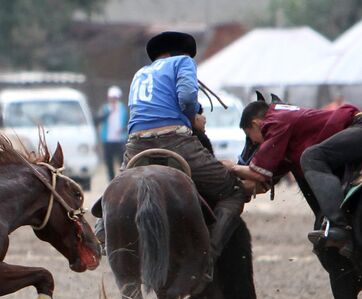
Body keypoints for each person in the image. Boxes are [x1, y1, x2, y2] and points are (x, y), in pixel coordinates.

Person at [96, 31, 246, 281]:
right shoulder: (183, 62)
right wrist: (193, 119)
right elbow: (187, 96)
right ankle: (210, 256)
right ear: (178, 53)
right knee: (233, 193)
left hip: (136, 144)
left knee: (116, 189)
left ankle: (103, 232)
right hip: (175, 140)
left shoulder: (140, 73)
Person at [232, 100, 361, 258]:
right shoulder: (287, 130)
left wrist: (231, 167)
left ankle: (339, 226)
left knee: (312, 157)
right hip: (351, 132)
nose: (253, 143)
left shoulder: (275, 120)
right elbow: (265, 179)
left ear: (256, 124)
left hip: (357, 127)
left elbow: (259, 173)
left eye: (249, 136)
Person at [97, 86, 128, 180]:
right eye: (112, 98)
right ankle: (111, 180)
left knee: (121, 161)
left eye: (115, 98)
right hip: (108, 140)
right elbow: (99, 119)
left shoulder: (122, 108)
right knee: (109, 162)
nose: (113, 100)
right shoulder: (105, 108)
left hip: (120, 139)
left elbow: (126, 121)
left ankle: (123, 179)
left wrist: (123, 129)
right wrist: (110, 111)